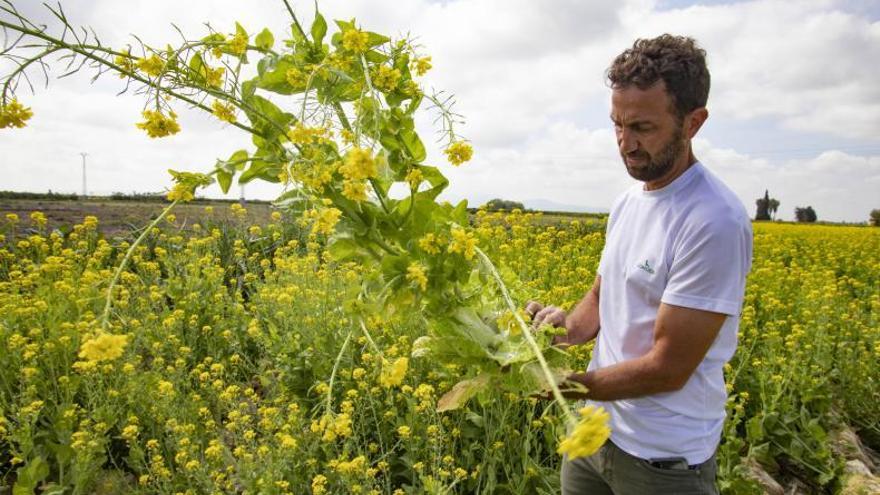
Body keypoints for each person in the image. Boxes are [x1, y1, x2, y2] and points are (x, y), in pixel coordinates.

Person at [526, 34, 753, 494]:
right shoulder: (628, 203)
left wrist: (562, 386)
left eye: (643, 128)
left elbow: (668, 367)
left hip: (661, 461)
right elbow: (601, 296)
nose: (625, 143)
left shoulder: (713, 221)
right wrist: (560, 334)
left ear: (693, 122)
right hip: (594, 431)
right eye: (617, 124)